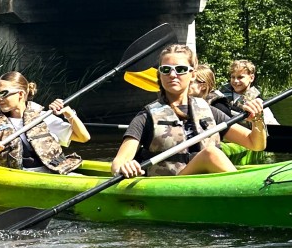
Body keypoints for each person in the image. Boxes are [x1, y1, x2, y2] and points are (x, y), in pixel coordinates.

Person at [111, 44, 268, 178]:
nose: (172, 75)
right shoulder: (146, 117)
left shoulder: (209, 111)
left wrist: (257, 120)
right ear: (160, 74)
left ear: (192, 74)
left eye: (180, 69)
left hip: (209, 183)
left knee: (210, 153)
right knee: (210, 154)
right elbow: (118, 163)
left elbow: (255, 144)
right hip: (172, 188)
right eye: (166, 69)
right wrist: (125, 166)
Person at [0, 71, 90, 174]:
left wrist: (69, 113)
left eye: (3, 94)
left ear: (21, 94)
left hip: (55, 172)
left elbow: (83, 137)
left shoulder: (43, 117)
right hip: (19, 176)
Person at [219, 58, 279, 125]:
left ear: (251, 78)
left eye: (240, 77)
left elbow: (272, 124)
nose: (235, 81)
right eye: (233, 77)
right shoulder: (220, 95)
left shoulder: (257, 102)